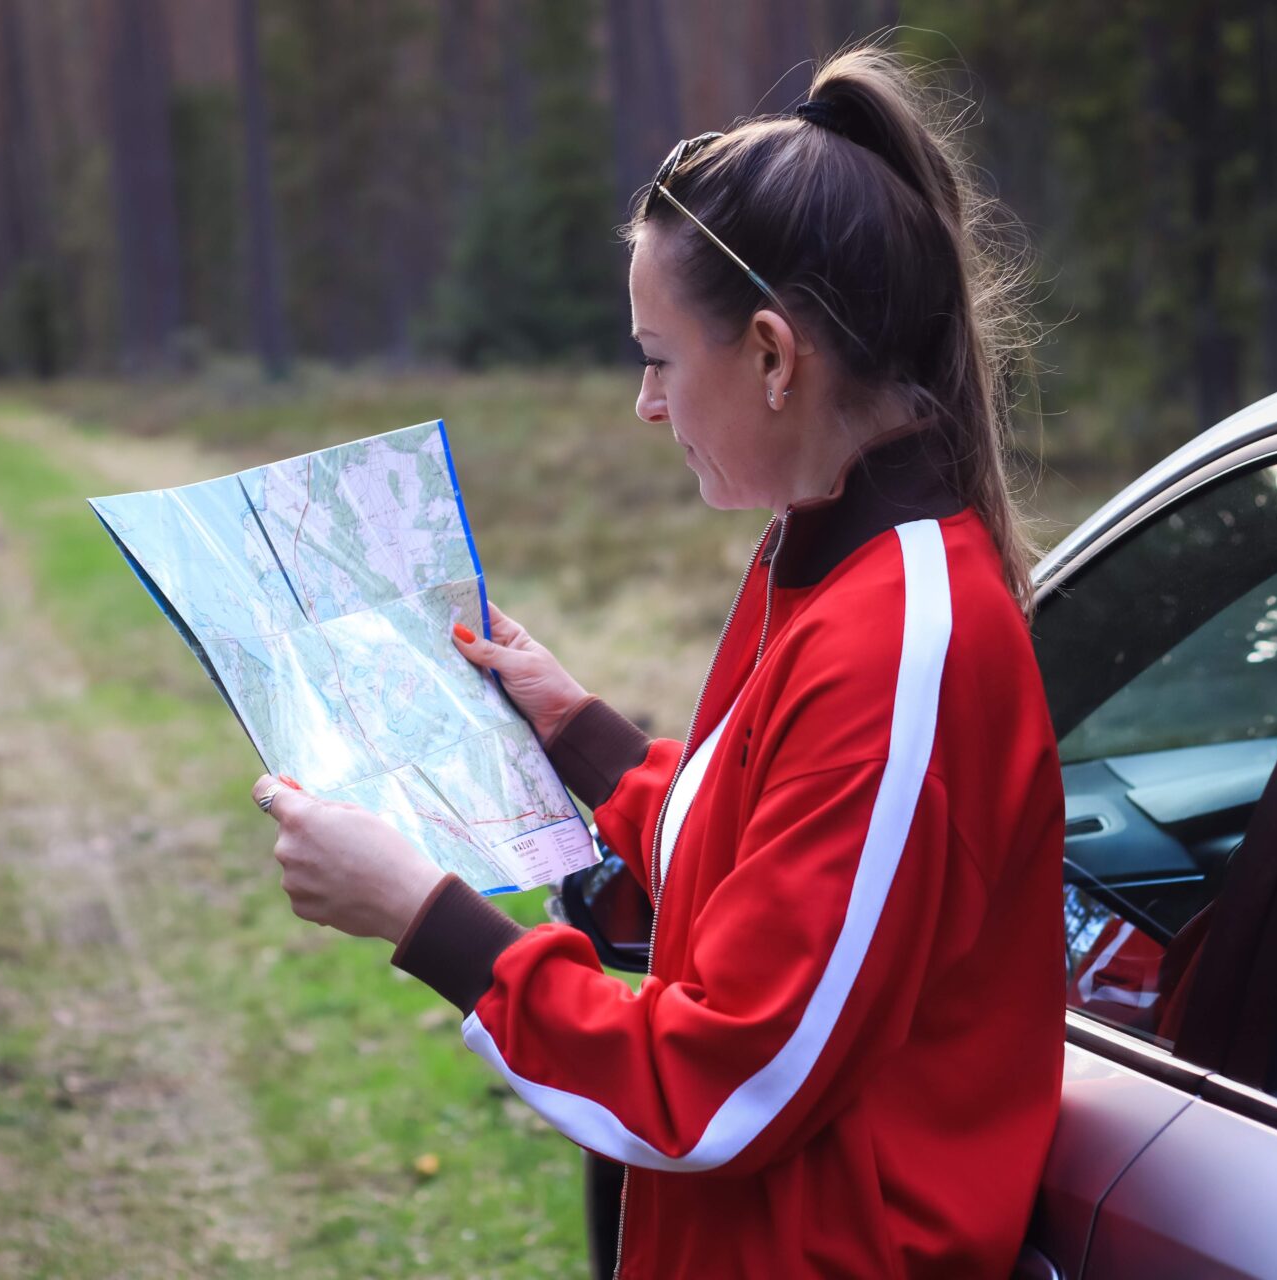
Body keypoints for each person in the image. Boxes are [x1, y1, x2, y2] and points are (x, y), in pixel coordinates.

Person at [251, 44, 1066, 1279]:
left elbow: (727, 1078)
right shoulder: (821, 560)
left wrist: (428, 919)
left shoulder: (903, 640)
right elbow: (772, 876)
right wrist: (583, 734)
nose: (645, 405)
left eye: (657, 357)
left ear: (775, 357)